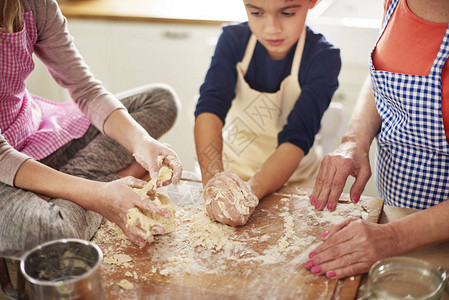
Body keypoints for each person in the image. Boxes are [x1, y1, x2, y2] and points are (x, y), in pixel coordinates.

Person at [0, 0, 183, 251]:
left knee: (161, 99)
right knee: (53, 233)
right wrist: (97, 195)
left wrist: (141, 142)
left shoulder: (35, 4)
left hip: (34, 135)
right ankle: (114, 180)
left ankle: (74, 190)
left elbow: (86, 90)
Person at [306, 0, 449, 279]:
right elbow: (380, 75)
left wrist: (394, 238)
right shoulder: (395, 3)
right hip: (392, 218)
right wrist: (355, 139)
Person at [194, 0, 341, 226]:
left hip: (296, 179)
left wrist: (249, 193)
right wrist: (213, 180)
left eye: (288, 13)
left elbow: (297, 136)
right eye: (256, 12)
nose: (272, 27)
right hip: (234, 170)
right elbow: (210, 107)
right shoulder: (233, 40)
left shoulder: (323, 58)